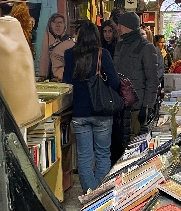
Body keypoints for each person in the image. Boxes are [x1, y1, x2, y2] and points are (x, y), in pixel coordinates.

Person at [63, 21, 121, 194]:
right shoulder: (103, 54)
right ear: (96, 36)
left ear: (79, 36)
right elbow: (115, 82)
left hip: (80, 112)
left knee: (85, 156)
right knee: (103, 154)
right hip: (102, 112)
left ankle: (89, 193)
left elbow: (66, 82)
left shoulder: (69, 54)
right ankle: (100, 195)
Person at [114, 11, 159, 139]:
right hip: (120, 104)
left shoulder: (146, 47)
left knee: (135, 143)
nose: (117, 28)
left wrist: (147, 106)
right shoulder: (120, 46)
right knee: (121, 144)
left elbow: (152, 80)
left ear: (127, 26)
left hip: (137, 105)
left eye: (120, 25)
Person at [38, 13, 74, 81]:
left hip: (65, 80)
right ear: (50, 25)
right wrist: (43, 76)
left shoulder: (70, 43)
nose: (58, 25)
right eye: (54, 23)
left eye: (60, 23)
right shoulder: (48, 40)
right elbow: (44, 59)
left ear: (64, 25)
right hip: (50, 81)